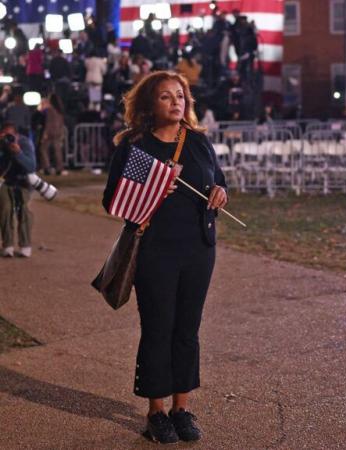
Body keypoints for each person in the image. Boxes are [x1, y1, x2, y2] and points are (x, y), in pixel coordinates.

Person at [102, 71, 228, 443]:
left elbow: (218, 180)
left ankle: (182, 407)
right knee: (159, 327)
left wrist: (221, 192)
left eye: (180, 96)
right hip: (156, 249)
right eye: (165, 97)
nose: (176, 102)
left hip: (198, 249)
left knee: (187, 329)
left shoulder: (198, 142)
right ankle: (156, 412)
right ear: (149, 104)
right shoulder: (138, 147)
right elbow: (115, 199)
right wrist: (155, 190)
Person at [0, 123, 36, 257]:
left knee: (24, 209)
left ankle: (25, 245)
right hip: (5, 182)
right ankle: (8, 244)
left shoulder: (25, 143)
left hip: (23, 182)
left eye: (10, 136)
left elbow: (31, 167)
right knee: (5, 209)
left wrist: (18, 153)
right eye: (5, 135)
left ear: (16, 135)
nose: (7, 139)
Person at [37, 94, 67, 176]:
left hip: (50, 132)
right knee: (57, 151)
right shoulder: (60, 110)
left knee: (43, 149)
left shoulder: (50, 109)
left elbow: (48, 123)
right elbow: (61, 123)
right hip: (58, 132)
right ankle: (59, 168)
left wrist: (45, 134)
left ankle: (46, 167)